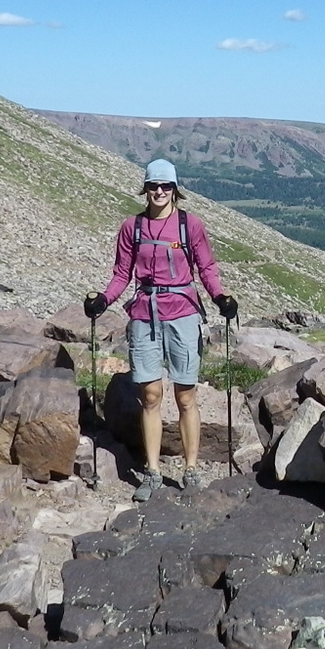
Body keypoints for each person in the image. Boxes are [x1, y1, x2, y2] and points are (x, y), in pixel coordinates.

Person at [85, 159, 237, 501]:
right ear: (145, 188)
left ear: (175, 190)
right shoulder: (132, 228)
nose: (159, 192)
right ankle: (152, 472)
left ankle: (191, 469)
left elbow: (206, 267)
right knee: (150, 396)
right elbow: (122, 274)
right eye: (153, 186)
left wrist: (220, 297)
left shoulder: (190, 225)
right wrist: (104, 300)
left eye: (166, 186)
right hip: (144, 314)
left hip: (182, 313)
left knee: (186, 395)